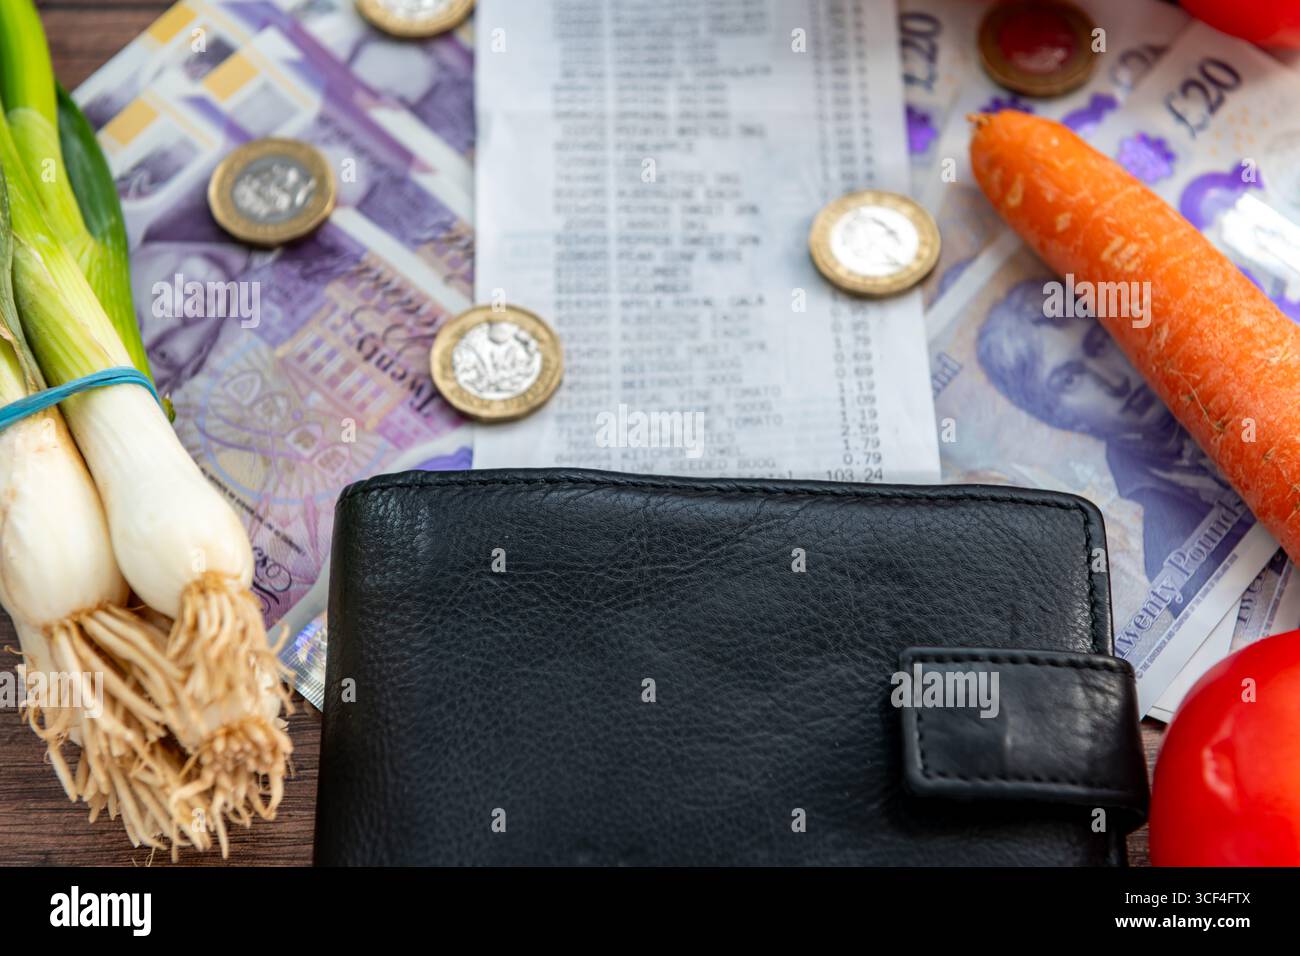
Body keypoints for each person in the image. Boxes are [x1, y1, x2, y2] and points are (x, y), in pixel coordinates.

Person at [976, 278, 1233, 581]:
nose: (1113, 381)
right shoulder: (1173, 548)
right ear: (1056, 416)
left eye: (1098, 345)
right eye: (1070, 379)